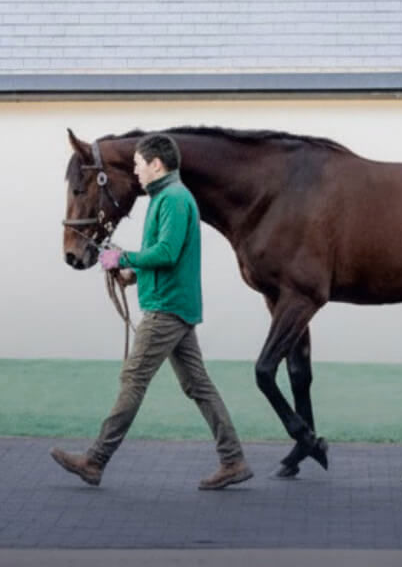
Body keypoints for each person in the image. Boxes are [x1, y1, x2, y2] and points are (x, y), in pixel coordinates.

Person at [50, 133, 252, 490]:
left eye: (139, 165)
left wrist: (120, 257)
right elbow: (161, 258)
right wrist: (131, 275)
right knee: (198, 386)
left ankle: (95, 461)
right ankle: (233, 460)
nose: (136, 172)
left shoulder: (173, 199)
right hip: (175, 305)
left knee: (134, 380)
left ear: (156, 165)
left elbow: (166, 253)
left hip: (166, 310)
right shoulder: (167, 198)